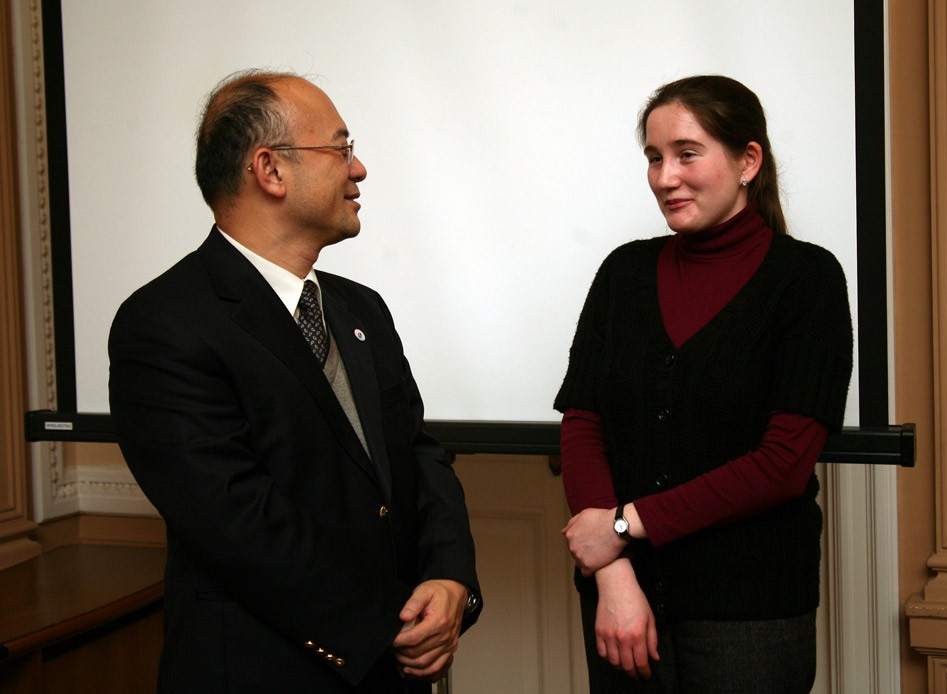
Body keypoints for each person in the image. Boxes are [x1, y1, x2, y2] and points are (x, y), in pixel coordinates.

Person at [108, 69, 481, 693]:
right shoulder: (164, 323)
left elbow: (419, 455)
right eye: (340, 148)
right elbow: (237, 521)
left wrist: (450, 579)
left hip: (394, 668)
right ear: (270, 170)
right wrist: (384, 626)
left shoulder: (362, 308)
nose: (358, 169)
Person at [556, 75, 853, 693]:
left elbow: (783, 465)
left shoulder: (808, 281)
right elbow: (584, 423)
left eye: (687, 154)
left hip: (751, 615)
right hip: (623, 603)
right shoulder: (623, 274)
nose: (665, 177)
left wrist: (623, 525)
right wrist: (612, 572)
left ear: (748, 161)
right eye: (654, 157)